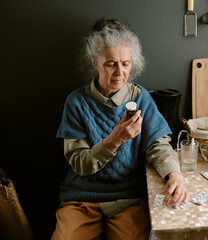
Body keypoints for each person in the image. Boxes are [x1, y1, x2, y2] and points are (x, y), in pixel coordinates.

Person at [52, 17, 189, 240]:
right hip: (82, 199)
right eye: (110, 63)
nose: (119, 72)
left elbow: (159, 145)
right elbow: (80, 163)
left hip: (128, 198)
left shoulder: (141, 97)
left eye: (125, 63)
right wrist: (114, 139)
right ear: (94, 62)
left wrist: (174, 175)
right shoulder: (76, 102)